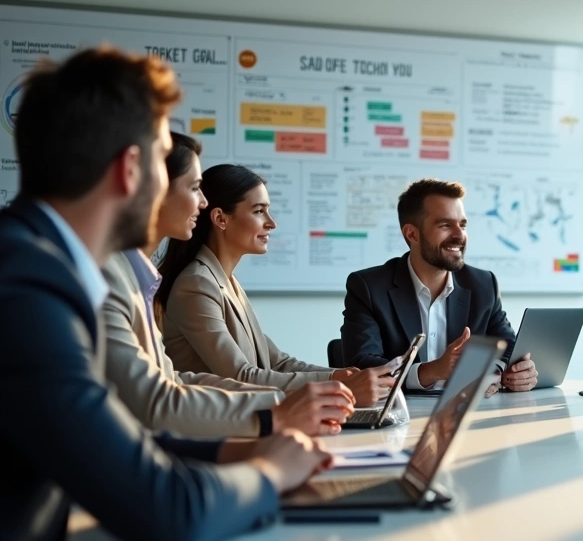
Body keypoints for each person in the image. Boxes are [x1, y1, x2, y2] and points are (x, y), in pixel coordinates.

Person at [0, 47, 330, 540]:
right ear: (129, 169)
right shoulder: (26, 289)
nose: (197, 198)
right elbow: (170, 512)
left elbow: (116, 437)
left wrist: (233, 451)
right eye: (161, 157)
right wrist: (272, 473)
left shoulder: (37, 262)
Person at [101, 132, 356, 437]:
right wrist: (282, 409)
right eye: (195, 189)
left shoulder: (222, 280)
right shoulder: (188, 282)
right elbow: (233, 376)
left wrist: (338, 381)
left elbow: (270, 362)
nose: (203, 202)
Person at [158, 164, 396, 407]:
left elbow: (277, 362)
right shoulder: (196, 284)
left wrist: (340, 375)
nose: (271, 223)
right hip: (212, 426)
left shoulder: (226, 281)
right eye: (259, 211)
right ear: (220, 218)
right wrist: (339, 386)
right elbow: (242, 376)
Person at [340, 178, 536, 393]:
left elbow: (508, 347)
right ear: (412, 234)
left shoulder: (483, 284)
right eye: (445, 225)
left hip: (467, 411)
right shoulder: (369, 287)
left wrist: (504, 373)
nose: (459, 235)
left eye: (462, 224)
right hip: (399, 414)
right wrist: (432, 371)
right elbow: (361, 363)